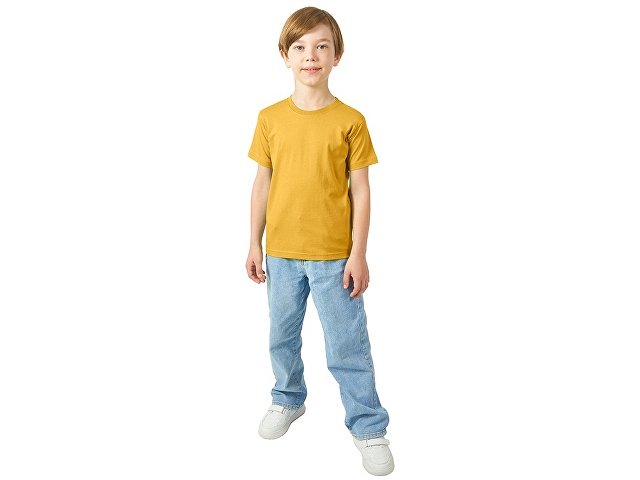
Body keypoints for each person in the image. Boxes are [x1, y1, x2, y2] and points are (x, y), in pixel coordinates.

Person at [245, 6, 394, 476]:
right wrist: (254, 243)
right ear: (285, 56)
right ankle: (288, 398)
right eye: (300, 47)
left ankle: (368, 426)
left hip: (334, 257)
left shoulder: (350, 120)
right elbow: (263, 182)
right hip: (282, 254)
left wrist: (358, 253)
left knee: (347, 346)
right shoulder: (270, 118)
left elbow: (361, 189)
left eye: (321, 46)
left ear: (336, 56)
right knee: (281, 336)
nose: (310, 56)